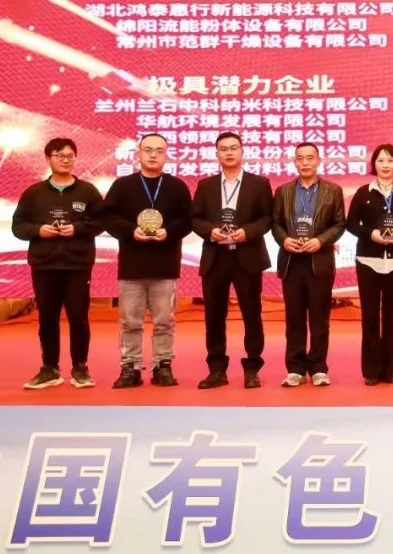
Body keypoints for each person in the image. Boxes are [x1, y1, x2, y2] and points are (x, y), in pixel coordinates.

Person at [100, 133, 192, 388]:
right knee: (130, 321)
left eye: (159, 151)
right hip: (132, 264)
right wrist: (131, 231)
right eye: (148, 150)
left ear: (166, 155)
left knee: (164, 321)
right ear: (138, 154)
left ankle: (163, 365)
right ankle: (130, 367)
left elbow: (188, 220)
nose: (153, 155)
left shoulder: (177, 186)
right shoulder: (123, 185)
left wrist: (168, 232)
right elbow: (108, 217)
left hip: (165, 265)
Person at [11, 137, 103, 389]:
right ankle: (49, 368)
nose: (65, 160)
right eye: (59, 155)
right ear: (48, 158)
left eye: (70, 156)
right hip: (44, 265)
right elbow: (18, 226)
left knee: (78, 317)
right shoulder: (34, 193)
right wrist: (38, 230)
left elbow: (101, 222)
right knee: (47, 318)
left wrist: (77, 229)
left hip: (77, 265)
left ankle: (80, 367)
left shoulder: (88, 191)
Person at [191, 132, 273, 389]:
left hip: (246, 256)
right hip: (215, 257)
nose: (229, 152)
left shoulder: (259, 183)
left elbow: (267, 219)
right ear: (216, 154)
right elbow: (195, 218)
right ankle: (216, 369)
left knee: (252, 313)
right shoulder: (206, 185)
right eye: (223, 149)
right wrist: (210, 231)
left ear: (242, 151)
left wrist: (247, 232)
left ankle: (252, 368)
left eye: (233, 148)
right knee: (214, 316)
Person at [271, 142, 346, 387]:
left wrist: (320, 240)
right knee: (294, 317)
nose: (305, 162)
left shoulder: (333, 190)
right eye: (300, 158)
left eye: (310, 158)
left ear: (318, 160)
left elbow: (339, 224)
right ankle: (295, 368)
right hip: (292, 261)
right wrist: (284, 240)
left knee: (319, 318)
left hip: (319, 261)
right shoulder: (283, 191)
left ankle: (318, 368)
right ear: (294, 162)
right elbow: (275, 223)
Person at [346, 144, 393, 385]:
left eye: (390, 160)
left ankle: (388, 370)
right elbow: (351, 224)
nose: (386, 165)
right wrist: (371, 234)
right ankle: (371, 371)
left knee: (391, 316)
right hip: (368, 260)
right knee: (369, 316)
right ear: (373, 164)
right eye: (381, 160)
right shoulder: (363, 193)